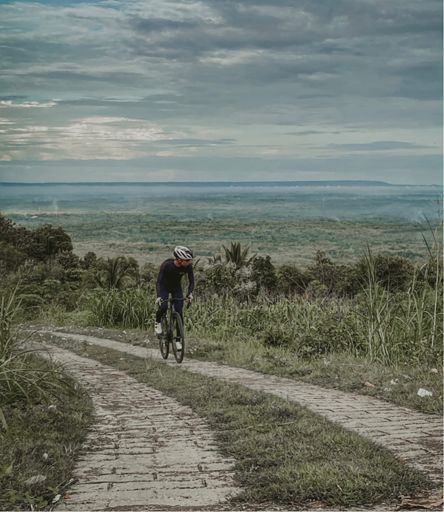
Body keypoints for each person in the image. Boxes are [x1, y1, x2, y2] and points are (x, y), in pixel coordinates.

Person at [154, 246, 194, 345]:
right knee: (163, 306)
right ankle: (158, 322)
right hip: (164, 287)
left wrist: (190, 294)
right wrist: (159, 296)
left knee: (179, 312)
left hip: (176, 288)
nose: (189, 262)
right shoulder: (167, 265)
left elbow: (192, 281)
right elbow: (159, 282)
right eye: (187, 260)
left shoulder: (188, 266)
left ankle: (178, 340)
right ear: (180, 260)